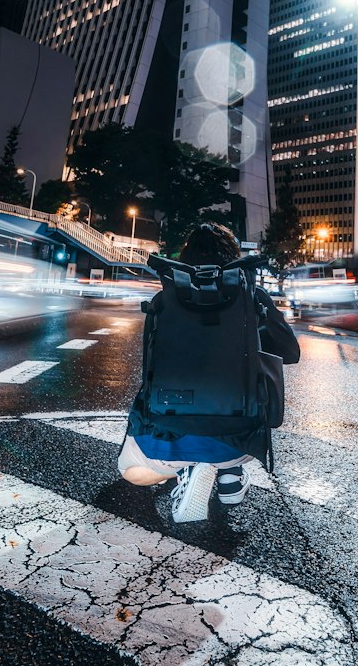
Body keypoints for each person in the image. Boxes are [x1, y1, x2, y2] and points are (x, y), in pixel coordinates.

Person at [118, 222, 301, 523]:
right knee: (237, 405)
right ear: (233, 257)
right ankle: (229, 471)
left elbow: (149, 369)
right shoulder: (252, 298)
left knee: (131, 472)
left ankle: (186, 467)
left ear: (186, 258)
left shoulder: (164, 300)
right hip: (241, 437)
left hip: (168, 431)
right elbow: (290, 354)